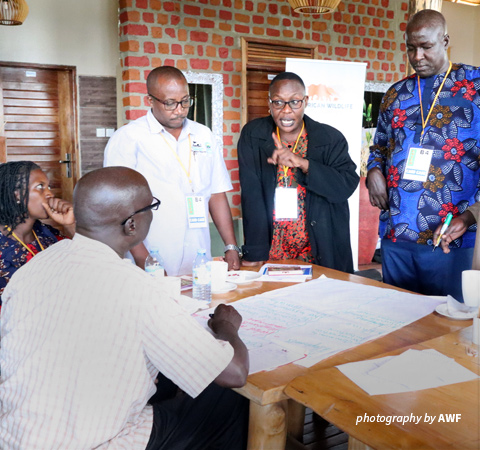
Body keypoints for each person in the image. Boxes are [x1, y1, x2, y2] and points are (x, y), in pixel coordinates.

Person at [0, 166, 249, 449]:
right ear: (132, 225)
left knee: (166, 380)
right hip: (93, 442)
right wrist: (226, 326)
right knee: (227, 400)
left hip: (14, 433)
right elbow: (234, 373)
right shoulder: (135, 286)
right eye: (151, 207)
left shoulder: (34, 267)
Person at [366, 9, 480, 301]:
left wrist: (471, 215)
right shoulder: (396, 94)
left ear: (445, 40)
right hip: (396, 234)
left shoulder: (475, 87)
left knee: (447, 329)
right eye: (410, 48)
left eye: (426, 47)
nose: (417, 57)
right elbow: (379, 145)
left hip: (449, 236)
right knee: (397, 324)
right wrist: (373, 172)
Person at [104, 66, 241, 276]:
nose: (179, 109)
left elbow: (216, 192)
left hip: (198, 255)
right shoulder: (129, 139)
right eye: (170, 103)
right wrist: (145, 259)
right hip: (152, 255)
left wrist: (230, 246)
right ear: (150, 100)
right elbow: (118, 207)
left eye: (185, 101)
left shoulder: (203, 135)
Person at [237, 72, 359, 272]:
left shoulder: (329, 138)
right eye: (278, 102)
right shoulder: (254, 135)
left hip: (319, 249)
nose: (286, 111)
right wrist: (254, 251)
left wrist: (304, 164)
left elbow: (345, 186)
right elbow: (252, 195)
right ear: (269, 103)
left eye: (294, 102)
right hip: (273, 250)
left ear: (305, 101)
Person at [0, 160, 75, 306]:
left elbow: (88, 262)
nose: (49, 194)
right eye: (40, 187)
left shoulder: (47, 235)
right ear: (16, 195)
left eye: (49, 187)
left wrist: (71, 225)